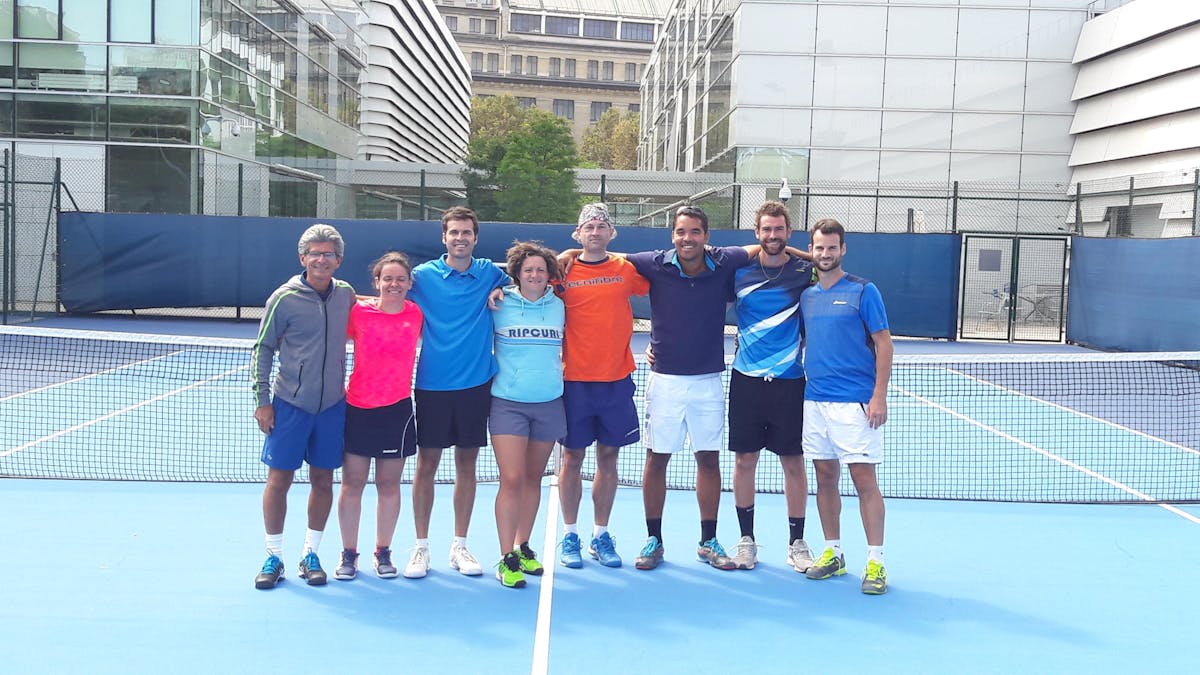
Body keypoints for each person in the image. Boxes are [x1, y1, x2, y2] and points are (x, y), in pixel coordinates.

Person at [404, 206, 507, 579]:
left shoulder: (489, 273)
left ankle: (459, 545)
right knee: (426, 466)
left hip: (476, 385)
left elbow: (530, 273)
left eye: (467, 233)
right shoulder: (422, 277)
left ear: (475, 239)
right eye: (454, 233)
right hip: (431, 385)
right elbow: (390, 293)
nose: (460, 238)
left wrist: (499, 287)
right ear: (443, 238)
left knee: (468, 465)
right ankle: (421, 547)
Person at [252, 224, 356, 590]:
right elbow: (263, 348)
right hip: (289, 405)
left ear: (338, 260)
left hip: (332, 406)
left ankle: (310, 554)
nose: (322, 259)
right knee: (279, 479)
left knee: (323, 479)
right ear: (303, 258)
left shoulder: (346, 294)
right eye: (315, 253)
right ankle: (273, 555)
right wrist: (262, 402)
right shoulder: (283, 298)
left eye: (329, 254)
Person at [800, 218, 893, 595]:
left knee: (863, 482)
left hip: (855, 403)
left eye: (832, 247)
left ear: (843, 250)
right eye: (818, 248)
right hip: (815, 401)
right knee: (824, 478)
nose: (825, 254)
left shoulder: (863, 291)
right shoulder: (806, 296)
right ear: (812, 250)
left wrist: (878, 395)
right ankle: (834, 553)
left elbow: (884, 344)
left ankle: (876, 562)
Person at [554, 203, 649, 570]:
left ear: (612, 234)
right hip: (574, 382)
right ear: (578, 234)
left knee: (609, 459)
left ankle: (600, 534)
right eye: (588, 227)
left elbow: (659, 287)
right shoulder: (562, 271)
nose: (594, 232)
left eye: (601, 227)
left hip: (616, 382)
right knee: (572, 459)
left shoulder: (625, 270)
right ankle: (571, 533)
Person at [727, 201, 817, 573]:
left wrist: (798, 252)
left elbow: (825, 261)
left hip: (789, 383)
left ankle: (797, 542)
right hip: (746, 380)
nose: (772, 236)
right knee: (744, 460)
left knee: (793, 463)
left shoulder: (803, 271)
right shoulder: (739, 271)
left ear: (788, 232)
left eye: (779, 230)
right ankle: (746, 540)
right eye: (766, 230)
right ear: (756, 233)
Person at [333, 252, 423, 581]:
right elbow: (329, 333)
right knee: (352, 483)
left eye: (400, 279)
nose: (394, 284)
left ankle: (383, 551)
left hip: (397, 412)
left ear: (410, 283)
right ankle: (348, 553)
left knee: (388, 484)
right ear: (377, 282)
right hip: (357, 408)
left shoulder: (416, 314)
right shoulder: (358, 313)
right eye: (388, 278)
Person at [490, 241, 567, 588]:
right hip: (508, 403)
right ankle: (506, 558)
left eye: (540, 269)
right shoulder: (499, 304)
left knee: (534, 479)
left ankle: (523, 547)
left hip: (549, 402)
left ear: (549, 275)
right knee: (512, 479)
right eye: (528, 270)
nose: (534, 275)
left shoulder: (561, 307)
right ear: (517, 274)